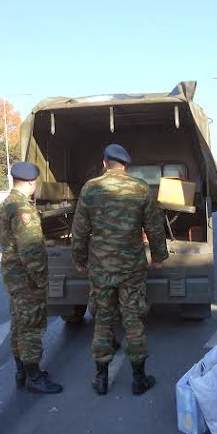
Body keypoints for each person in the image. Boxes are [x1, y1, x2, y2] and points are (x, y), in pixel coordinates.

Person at [71, 143, 169, 396]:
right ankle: (139, 379)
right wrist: (158, 256)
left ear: (105, 163)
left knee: (102, 319)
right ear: (126, 165)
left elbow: (79, 230)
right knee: (132, 319)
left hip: (101, 267)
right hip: (131, 268)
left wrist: (79, 260)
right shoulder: (140, 188)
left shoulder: (91, 189)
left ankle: (101, 379)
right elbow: (155, 227)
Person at [0, 161, 63, 395]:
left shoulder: (6, 204)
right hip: (27, 278)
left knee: (18, 325)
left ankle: (21, 371)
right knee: (32, 327)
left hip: (13, 277)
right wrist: (41, 279)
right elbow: (31, 248)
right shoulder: (23, 209)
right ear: (32, 182)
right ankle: (34, 376)